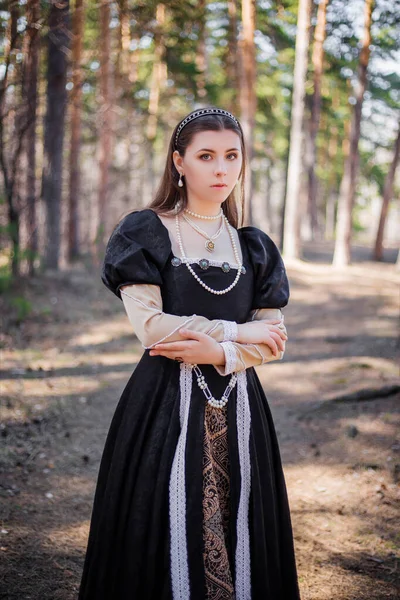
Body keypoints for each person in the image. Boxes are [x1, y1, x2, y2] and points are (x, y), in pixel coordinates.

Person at [78, 107, 301, 600]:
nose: (221, 169)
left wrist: (220, 350)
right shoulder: (146, 231)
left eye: (231, 156)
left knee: (238, 520)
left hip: (242, 411)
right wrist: (239, 333)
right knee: (160, 527)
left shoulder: (253, 246)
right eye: (206, 156)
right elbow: (153, 328)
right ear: (179, 162)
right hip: (162, 407)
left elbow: (275, 337)